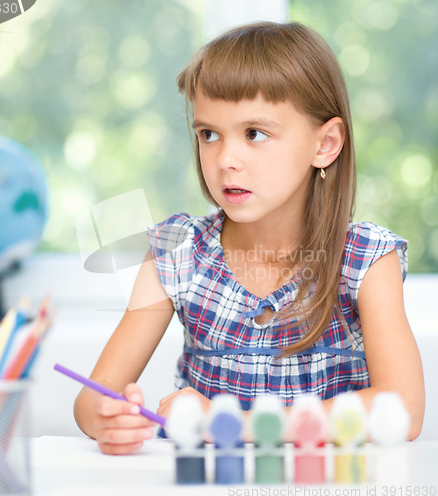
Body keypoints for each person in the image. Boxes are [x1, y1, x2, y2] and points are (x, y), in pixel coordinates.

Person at [73, 21, 425, 455]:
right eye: (209, 134)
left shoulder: (367, 260)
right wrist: (107, 419)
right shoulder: (176, 250)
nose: (226, 159)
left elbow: (403, 411)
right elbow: (92, 397)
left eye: (254, 133)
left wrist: (232, 425)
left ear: (326, 144)